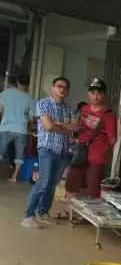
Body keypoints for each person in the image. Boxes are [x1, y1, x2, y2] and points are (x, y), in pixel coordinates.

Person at [22, 76, 76, 229]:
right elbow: (48, 126)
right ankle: (28, 216)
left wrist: (59, 125)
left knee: (52, 185)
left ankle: (43, 211)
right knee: (43, 182)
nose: (61, 90)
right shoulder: (43, 103)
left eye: (64, 88)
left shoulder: (67, 108)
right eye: (58, 86)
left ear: (67, 92)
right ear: (53, 88)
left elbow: (76, 126)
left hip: (62, 151)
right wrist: (63, 127)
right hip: (47, 149)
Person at [63, 79, 116, 206]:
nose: (95, 96)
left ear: (104, 95)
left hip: (97, 157)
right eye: (93, 93)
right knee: (71, 181)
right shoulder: (85, 109)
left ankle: (90, 214)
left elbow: (113, 139)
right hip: (81, 151)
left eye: (99, 93)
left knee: (93, 187)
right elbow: (78, 126)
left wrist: (100, 146)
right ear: (89, 94)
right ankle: (71, 211)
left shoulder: (108, 115)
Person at [0, 73, 36, 182]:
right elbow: (32, 118)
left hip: (6, 127)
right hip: (21, 130)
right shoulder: (30, 99)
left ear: (17, 82)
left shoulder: (5, 94)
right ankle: (14, 177)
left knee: (0, 152)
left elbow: (0, 110)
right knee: (19, 155)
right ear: (28, 84)